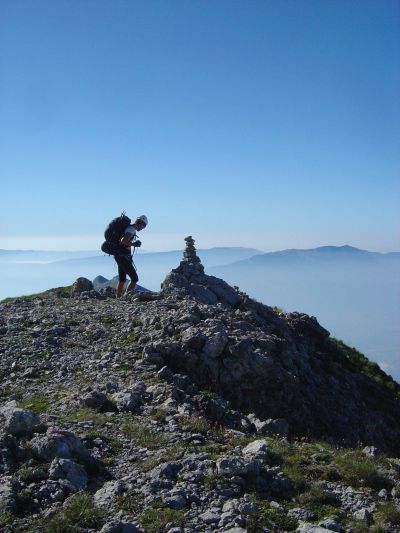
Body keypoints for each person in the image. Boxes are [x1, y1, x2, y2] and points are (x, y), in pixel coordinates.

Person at [114, 215, 148, 298]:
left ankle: (118, 299)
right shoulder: (131, 229)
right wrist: (134, 244)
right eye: (144, 226)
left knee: (122, 279)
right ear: (141, 223)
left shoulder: (129, 228)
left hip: (119, 255)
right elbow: (124, 241)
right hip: (123, 256)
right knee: (134, 278)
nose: (143, 228)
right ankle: (126, 297)